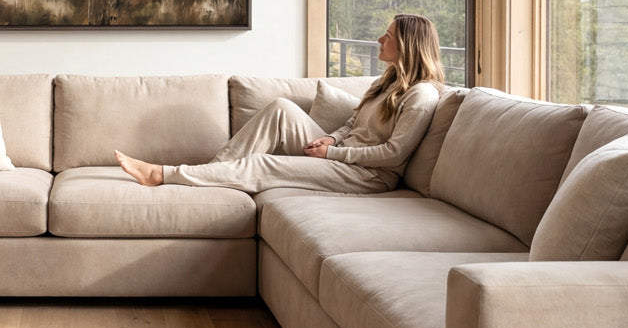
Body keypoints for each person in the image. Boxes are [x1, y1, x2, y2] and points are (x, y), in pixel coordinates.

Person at [115, 14, 445, 195]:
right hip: (343, 157)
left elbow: (394, 154)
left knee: (263, 165)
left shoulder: (421, 95)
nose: (379, 39)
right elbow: (352, 124)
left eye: (388, 36)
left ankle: (162, 175)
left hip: (368, 175)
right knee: (281, 109)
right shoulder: (384, 82)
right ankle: (209, 174)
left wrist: (332, 153)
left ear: (408, 45)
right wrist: (331, 138)